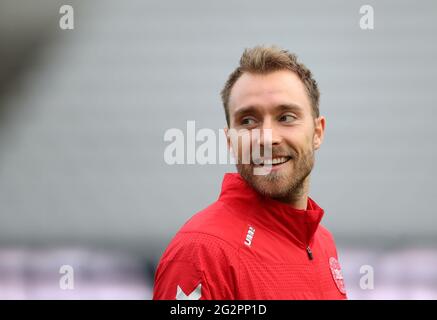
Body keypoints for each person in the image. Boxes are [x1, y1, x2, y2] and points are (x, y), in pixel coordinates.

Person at [153, 45, 347, 300]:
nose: (267, 138)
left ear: (317, 132)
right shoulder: (200, 252)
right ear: (230, 141)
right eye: (248, 121)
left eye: (286, 117)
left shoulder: (322, 243)